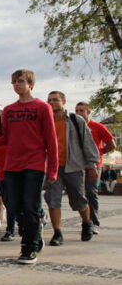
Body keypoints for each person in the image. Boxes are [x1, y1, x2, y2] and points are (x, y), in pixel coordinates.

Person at [0, 69, 58, 264]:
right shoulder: (9, 110)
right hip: (12, 164)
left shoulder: (42, 107)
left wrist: (53, 170)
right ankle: (34, 231)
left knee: (31, 205)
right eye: (14, 82)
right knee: (14, 204)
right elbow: (5, 137)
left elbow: (51, 140)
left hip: (34, 163)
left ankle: (28, 248)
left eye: (20, 81)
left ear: (30, 84)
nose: (17, 85)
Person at [43, 91, 99, 245]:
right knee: (53, 200)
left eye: (55, 100)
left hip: (74, 166)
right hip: (53, 168)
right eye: (49, 100)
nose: (52, 103)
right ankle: (57, 233)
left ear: (64, 101)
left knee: (79, 200)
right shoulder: (45, 121)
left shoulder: (76, 120)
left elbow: (87, 142)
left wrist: (92, 165)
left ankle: (87, 223)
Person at [75, 101, 116, 234]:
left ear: (88, 112)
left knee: (91, 192)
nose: (79, 113)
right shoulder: (73, 127)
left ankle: (94, 222)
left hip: (94, 165)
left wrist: (99, 153)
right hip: (78, 165)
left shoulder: (98, 127)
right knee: (79, 194)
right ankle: (86, 220)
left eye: (82, 110)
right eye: (77, 111)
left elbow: (112, 144)